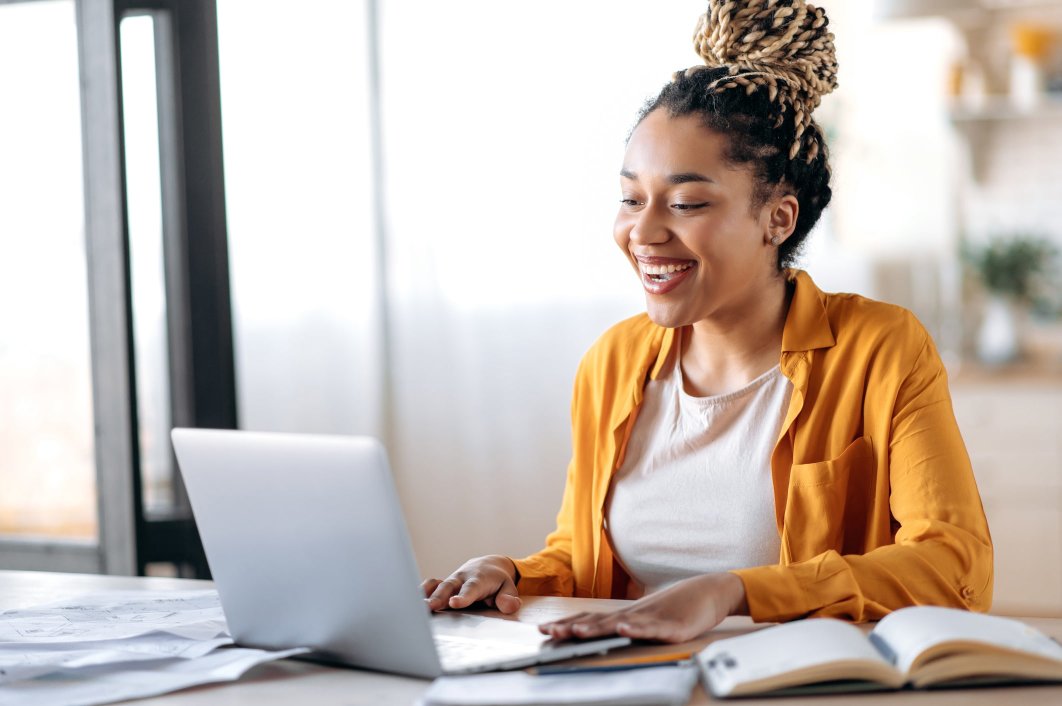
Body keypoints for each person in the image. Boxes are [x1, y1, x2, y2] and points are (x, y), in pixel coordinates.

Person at [421, 0, 993, 644]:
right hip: (635, 678)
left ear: (778, 218)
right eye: (631, 198)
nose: (643, 231)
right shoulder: (612, 363)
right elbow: (586, 562)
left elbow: (953, 566)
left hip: (796, 681)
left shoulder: (880, 349)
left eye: (687, 202)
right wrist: (512, 575)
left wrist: (734, 591)